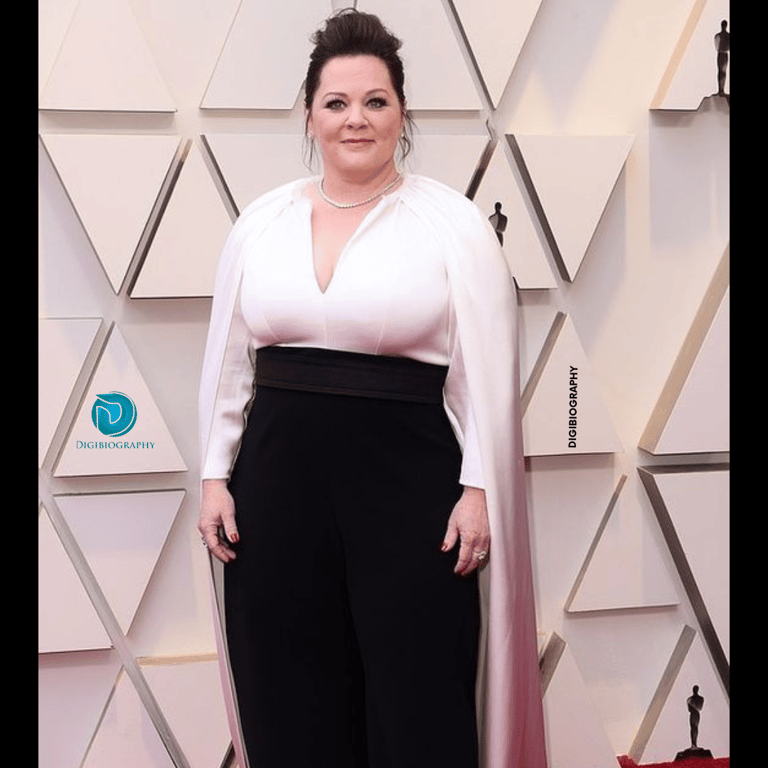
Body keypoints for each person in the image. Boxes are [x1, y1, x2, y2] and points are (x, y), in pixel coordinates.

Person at [198, 9, 547, 768]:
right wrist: (213, 475)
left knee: (417, 686)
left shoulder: (452, 226)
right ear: (309, 115)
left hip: (410, 484)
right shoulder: (260, 224)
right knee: (286, 679)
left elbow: (482, 374)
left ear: (401, 113)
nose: (357, 119)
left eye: (376, 101)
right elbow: (230, 360)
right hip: (277, 485)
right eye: (337, 103)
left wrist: (480, 488)